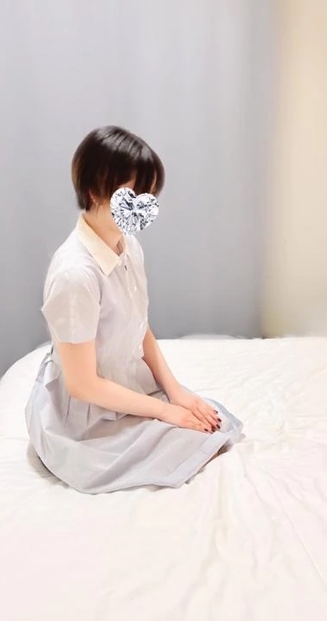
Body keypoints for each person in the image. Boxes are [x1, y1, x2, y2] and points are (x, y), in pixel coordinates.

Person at [25, 125, 242, 494]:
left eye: (149, 196)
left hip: (126, 386)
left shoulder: (129, 247)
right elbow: (81, 384)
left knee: (215, 425)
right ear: (95, 191)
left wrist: (175, 390)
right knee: (189, 439)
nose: (142, 207)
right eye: (132, 196)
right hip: (84, 416)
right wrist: (165, 410)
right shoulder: (75, 275)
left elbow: (140, 327)